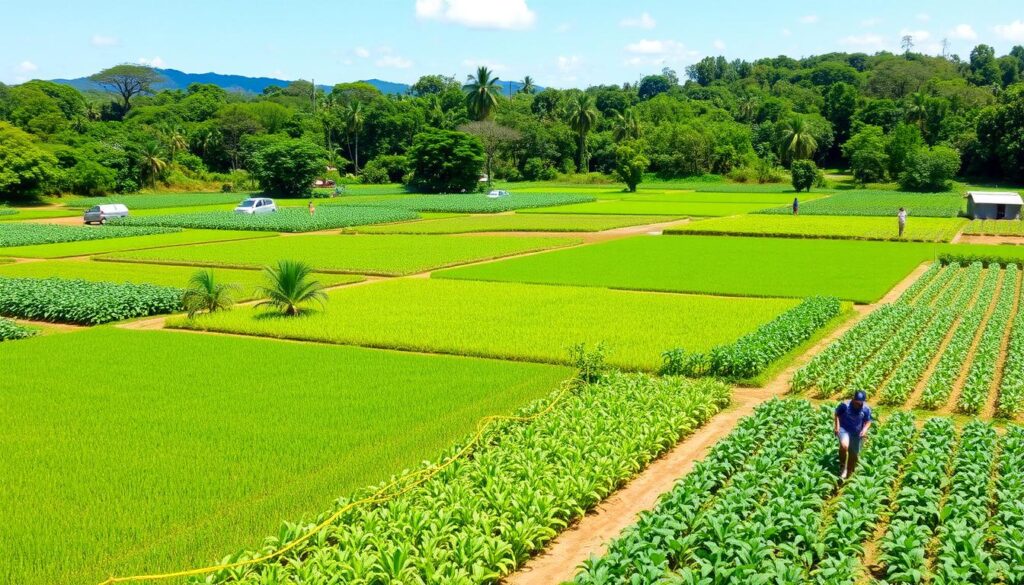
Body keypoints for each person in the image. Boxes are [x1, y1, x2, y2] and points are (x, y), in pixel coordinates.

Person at [835, 391, 872, 480]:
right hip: (844, 429)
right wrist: (837, 426)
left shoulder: (866, 409)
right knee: (844, 446)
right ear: (853, 399)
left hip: (856, 433)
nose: (858, 405)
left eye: (860, 403)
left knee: (853, 455)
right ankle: (842, 466)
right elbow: (837, 414)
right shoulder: (845, 405)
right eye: (856, 402)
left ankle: (849, 473)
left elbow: (868, 421)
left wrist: (864, 430)